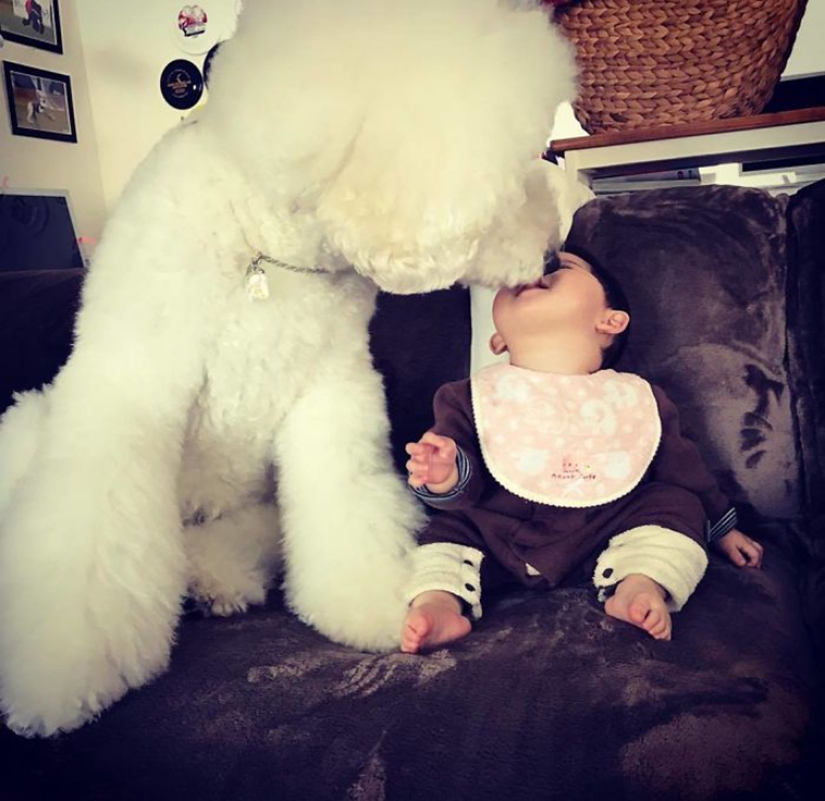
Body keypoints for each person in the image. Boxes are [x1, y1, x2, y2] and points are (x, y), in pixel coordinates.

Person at [401, 248, 763, 653]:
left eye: (558, 267)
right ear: (499, 338)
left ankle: (639, 582)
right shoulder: (467, 397)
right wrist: (444, 473)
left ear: (610, 321)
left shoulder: (636, 399)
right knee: (442, 533)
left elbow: (684, 470)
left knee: (675, 504)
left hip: (606, 529)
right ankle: (440, 603)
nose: (532, 272)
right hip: (495, 530)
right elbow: (459, 491)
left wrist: (723, 527)